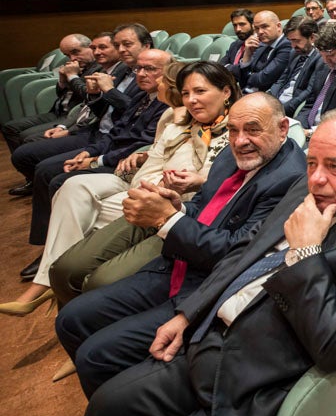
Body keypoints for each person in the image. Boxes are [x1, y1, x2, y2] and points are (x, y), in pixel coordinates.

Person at [79, 108, 336, 416]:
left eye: (334, 166)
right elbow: (246, 252)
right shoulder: (309, 187)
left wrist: (305, 254)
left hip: (254, 381)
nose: (317, 178)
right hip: (208, 335)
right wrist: (190, 313)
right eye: (312, 163)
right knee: (105, 409)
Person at [55, 92, 306, 399]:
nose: (240, 140)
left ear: (282, 128)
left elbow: (237, 253)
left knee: (95, 355)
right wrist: (178, 209)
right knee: (71, 318)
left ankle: (121, 403)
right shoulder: (230, 155)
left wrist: (165, 221)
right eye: (233, 130)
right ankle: (119, 389)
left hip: (207, 286)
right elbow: (204, 204)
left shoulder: (292, 179)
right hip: (175, 264)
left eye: (253, 129)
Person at [0, 61, 225, 317]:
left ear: (226, 92)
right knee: (73, 189)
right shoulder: (174, 123)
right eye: (186, 94)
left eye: (199, 92)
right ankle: (56, 281)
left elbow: (219, 177)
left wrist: (117, 162)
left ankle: (60, 286)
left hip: (174, 201)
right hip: (144, 184)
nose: (191, 100)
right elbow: (134, 145)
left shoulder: (230, 129)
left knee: (88, 219)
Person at [9, 24, 149, 206]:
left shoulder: (147, 74)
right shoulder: (123, 70)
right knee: (29, 155)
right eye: (118, 44)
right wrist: (94, 95)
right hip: (96, 131)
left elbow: (136, 114)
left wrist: (107, 90)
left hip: (115, 139)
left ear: (146, 45)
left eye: (127, 44)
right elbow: (101, 112)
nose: (121, 49)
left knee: (46, 171)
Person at [3, 33, 101, 153]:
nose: (72, 58)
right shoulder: (77, 65)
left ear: (91, 47)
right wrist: (62, 80)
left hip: (72, 115)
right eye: (67, 55)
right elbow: (60, 95)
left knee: (27, 137)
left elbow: (88, 97)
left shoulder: (98, 69)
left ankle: (28, 159)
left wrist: (72, 76)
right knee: (10, 127)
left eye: (76, 52)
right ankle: (22, 159)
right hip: (57, 111)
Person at [268, 16, 324, 117]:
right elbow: (281, 80)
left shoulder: (321, 58)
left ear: (312, 38)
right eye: (290, 41)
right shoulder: (295, 53)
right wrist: (269, 100)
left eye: (297, 41)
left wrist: (280, 111)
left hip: (292, 108)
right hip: (277, 103)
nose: (293, 45)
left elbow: (309, 92)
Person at [225, 10, 291, 94]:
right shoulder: (261, 45)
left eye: (264, 26)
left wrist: (246, 75)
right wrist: (247, 55)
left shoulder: (287, 45)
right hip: (246, 94)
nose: (260, 32)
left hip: (265, 98)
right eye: (256, 28)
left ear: (278, 26)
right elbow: (243, 81)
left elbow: (263, 79)